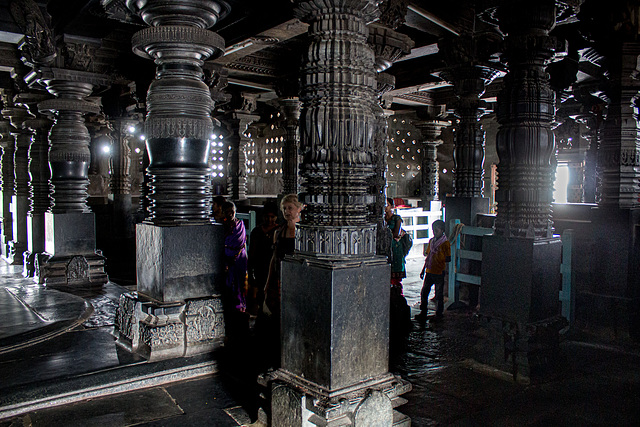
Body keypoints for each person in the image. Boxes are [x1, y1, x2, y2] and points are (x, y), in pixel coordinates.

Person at [247, 201, 279, 316]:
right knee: (260, 296)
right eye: (267, 217)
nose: (270, 220)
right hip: (260, 269)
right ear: (262, 216)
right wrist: (251, 274)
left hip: (274, 269)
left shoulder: (278, 231)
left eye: (272, 217)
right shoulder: (257, 231)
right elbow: (252, 254)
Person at [416, 220, 451, 323]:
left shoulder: (445, 243)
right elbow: (428, 257)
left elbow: (448, 258)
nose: (434, 232)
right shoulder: (431, 242)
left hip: (439, 272)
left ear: (442, 230)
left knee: (439, 294)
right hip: (429, 270)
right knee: (424, 292)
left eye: (436, 230)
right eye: (433, 230)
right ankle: (423, 311)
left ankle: (439, 314)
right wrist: (423, 270)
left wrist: (439, 257)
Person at [222, 201, 248, 314]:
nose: (230, 214)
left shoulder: (239, 224)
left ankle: (241, 307)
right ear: (223, 213)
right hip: (226, 259)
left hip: (239, 258)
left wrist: (236, 256)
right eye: (226, 212)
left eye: (232, 212)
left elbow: (242, 242)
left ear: (235, 211)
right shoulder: (221, 226)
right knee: (229, 285)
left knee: (240, 284)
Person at [385, 197, 406, 291]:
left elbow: (396, 234)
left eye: (387, 205)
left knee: (395, 276)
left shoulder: (397, 219)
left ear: (392, 206)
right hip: (385, 246)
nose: (385, 207)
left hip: (395, 247)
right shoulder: (381, 218)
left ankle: (397, 294)